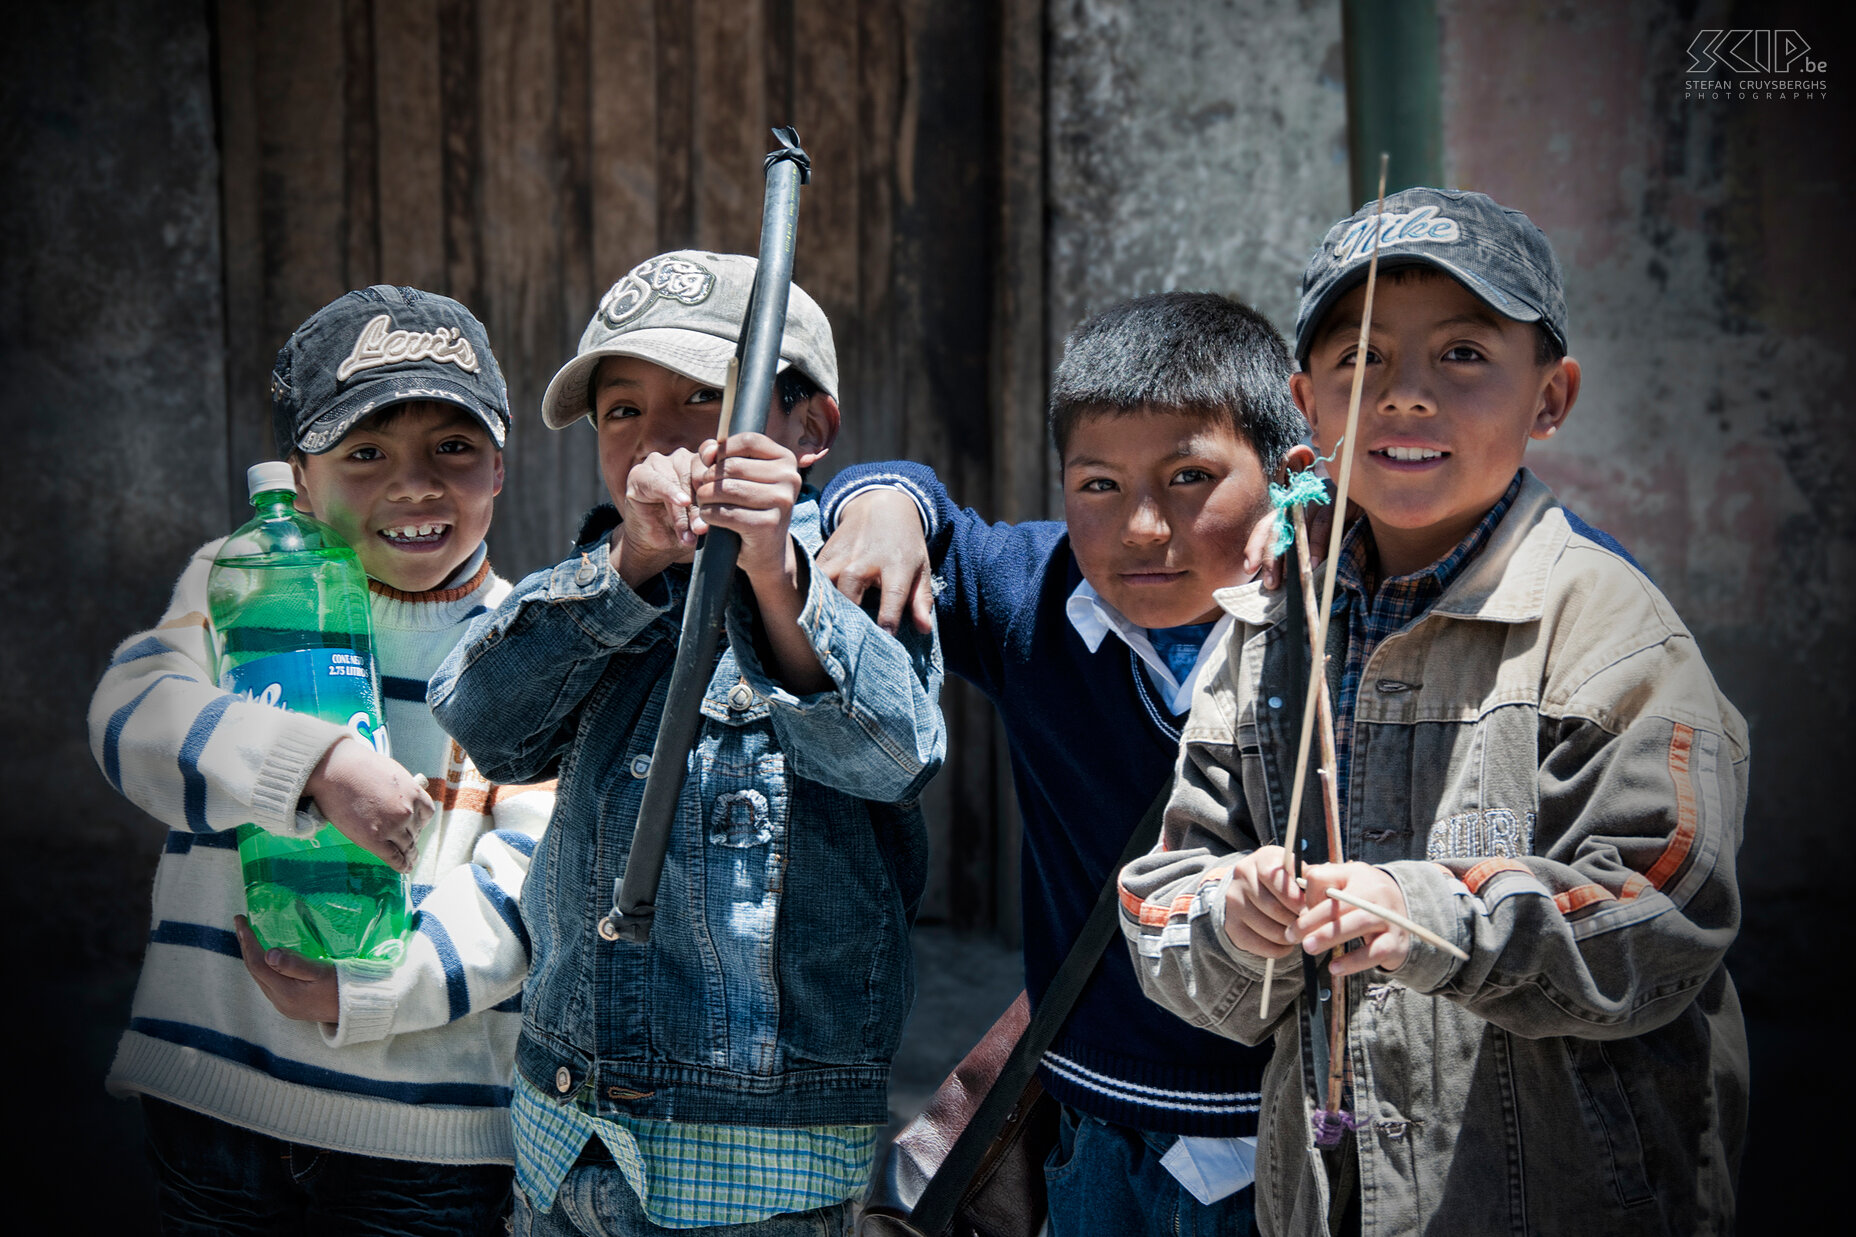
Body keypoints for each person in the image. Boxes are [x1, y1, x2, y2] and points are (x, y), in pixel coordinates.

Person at [1116, 189, 1749, 1235]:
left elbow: (1664, 913)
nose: (1404, 395)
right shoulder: (1273, 626)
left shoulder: (1609, 631)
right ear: (1305, 406)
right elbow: (1162, 891)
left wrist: (1431, 915)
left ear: (1548, 398)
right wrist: (1239, 916)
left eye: (1461, 355)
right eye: (1358, 360)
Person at [427, 250, 945, 1237]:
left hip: (758, 1175)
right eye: (621, 412)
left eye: (705, 396)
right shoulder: (599, 582)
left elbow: (891, 755)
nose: (657, 439)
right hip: (564, 1135)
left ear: (808, 428)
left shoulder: (856, 576)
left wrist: (774, 580)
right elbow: (486, 725)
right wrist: (626, 568)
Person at [816, 291, 1308, 1235]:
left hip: (1287, 1133)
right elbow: (916, 509)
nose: (1142, 527)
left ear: (1284, 475)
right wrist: (880, 502)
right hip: (1096, 1119)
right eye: (1098, 485)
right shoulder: (1034, 600)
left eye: (1191, 476)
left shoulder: (1336, 626)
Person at [88, 284, 554, 1233]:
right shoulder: (240, 580)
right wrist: (310, 763)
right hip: (217, 1092)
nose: (415, 483)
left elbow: (532, 879)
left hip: (422, 1138)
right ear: (297, 479)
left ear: (500, 467)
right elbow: (130, 717)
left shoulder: (535, 643)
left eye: (452, 448)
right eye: (366, 452)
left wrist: (377, 987)